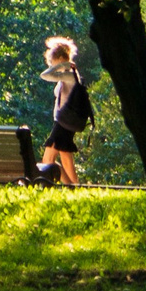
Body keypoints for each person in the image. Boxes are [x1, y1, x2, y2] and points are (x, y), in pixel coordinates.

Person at [40, 36, 90, 185]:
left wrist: (62, 65)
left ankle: (49, 186)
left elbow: (45, 75)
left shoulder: (69, 75)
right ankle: (73, 187)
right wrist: (61, 65)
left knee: (48, 159)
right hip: (63, 121)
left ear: (61, 58)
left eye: (53, 62)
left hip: (64, 122)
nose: (51, 65)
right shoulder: (68, 75)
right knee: (66, 158)